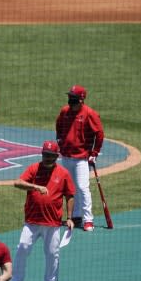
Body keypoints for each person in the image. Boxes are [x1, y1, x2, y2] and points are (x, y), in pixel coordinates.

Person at [5, 141, 75, 281]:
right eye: (45, 155)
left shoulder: (63, 173)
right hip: (32, 221)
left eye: (50, 156)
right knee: (22, 248)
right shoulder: (34, 168)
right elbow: (17, 183)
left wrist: (70, 218)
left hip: (52, 224)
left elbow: (70, 195)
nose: (47, 158)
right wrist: (36, 187)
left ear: (56, 157)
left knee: (52, 255)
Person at [55, 84, 104, 231]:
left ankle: (88, 219)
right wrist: (60, 140)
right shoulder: (65, 111)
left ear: (81, 100)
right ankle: (75, 216)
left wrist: (94, 153)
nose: (70, 100)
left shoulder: (90, 114)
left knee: (83, 187)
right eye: (70, 97)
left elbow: (99, 134)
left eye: (73, 98)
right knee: (69, 188)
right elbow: (58, 125)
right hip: (66, 156)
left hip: (81, 157)